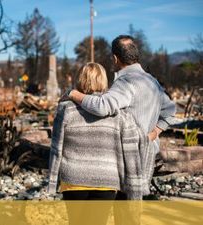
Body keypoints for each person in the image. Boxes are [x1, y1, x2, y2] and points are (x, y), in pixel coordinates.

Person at [67, 35, 176, 198]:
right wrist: (154, 134)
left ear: (115, 58)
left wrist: (73, 94)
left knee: (124, 208)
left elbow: (102, 106)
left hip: (128, 157)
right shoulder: (152, 81)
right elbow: (170, 110)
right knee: (132, 208)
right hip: (146, 154)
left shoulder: (126, 82)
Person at [48, 63, 147, 225]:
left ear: (80, 80)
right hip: (106, 180)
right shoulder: (120, 113)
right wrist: (135, 192)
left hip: (74, 179)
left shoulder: (66, 109)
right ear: (104, 81)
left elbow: (56, 148)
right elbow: (131, 154)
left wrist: (52, 183)